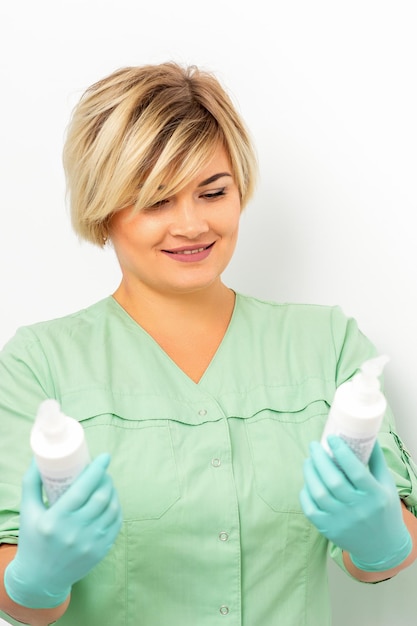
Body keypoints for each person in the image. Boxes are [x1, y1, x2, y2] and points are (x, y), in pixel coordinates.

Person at [0, 62, 417, 626]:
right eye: (156, 201)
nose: (192, 224)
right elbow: (23, 596)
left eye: (212, 191)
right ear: (104, 209)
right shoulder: (38, 365)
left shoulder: (329, 344)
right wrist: (36, 578)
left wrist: (381, 543)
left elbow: (384, 550)